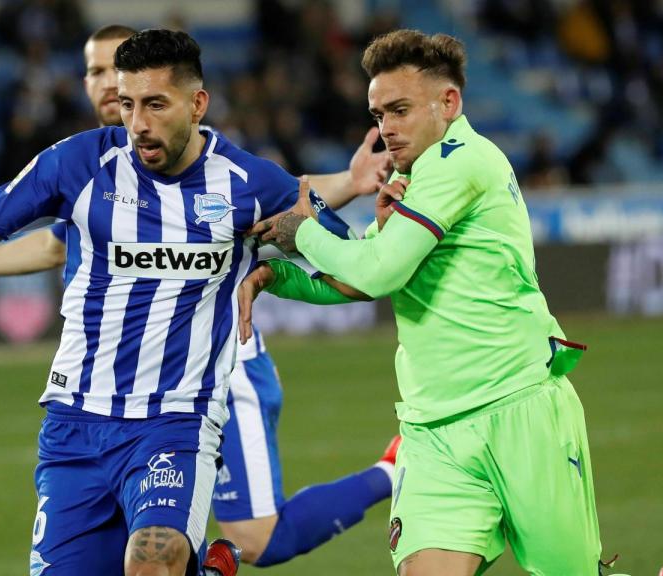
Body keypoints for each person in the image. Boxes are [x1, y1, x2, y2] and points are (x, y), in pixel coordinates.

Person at [0, 29, 356, 576]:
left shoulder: (251, 183)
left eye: (156, 104)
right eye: (128, 104)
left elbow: (355, 267)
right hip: (75, 424)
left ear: (197, 104)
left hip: (175, 421)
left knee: (151, 561)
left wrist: (287, 261)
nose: (138, 123)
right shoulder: (77, 164)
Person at [239, 30, 602, 575]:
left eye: (400, 110)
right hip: (433, 431)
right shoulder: (414, 176)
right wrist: (280, 275)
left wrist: (303, 232)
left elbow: (379, 270)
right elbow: (363, 276)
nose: (387, 127)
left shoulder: (463, 161)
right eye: (379, 114)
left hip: (518, 409)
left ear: (448, 102)